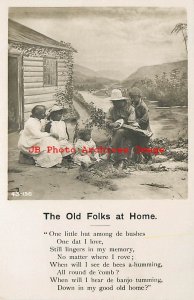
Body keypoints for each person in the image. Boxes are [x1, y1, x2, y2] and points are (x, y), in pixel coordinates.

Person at [106, 89, 136, 165]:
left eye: (116, 102)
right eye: (113, 102)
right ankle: (120, 160)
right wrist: (112, 124)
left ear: (122, 101)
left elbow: (132, 123)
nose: (115, 104)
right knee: (118, 133)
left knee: (120, 131)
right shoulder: (111, 110)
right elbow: (108, 121)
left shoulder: (130, 109)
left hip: (130, 132)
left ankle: (111, 150)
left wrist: (122, 124)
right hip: (116, 132)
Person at [128, 87, 152, 162]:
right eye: (131, 98)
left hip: (144, 128)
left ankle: (149, 159)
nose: (132, 99)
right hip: (136, 128)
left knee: (143, 145)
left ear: (139, 97)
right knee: (135, 143)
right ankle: (137, 159)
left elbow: (145, 119)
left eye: (134, 98)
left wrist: (137, 122)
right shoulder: (133, 104)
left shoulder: (143, 106)